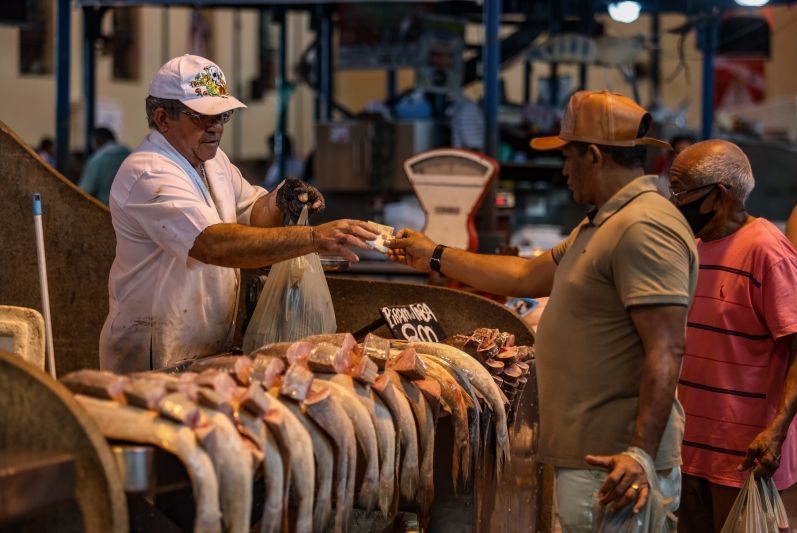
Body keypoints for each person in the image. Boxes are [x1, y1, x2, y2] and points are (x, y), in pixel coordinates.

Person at [388, 90, 698, 530]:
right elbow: (524, 275)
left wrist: (640, 454)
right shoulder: (601, 223)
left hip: (615, 465)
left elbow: (667, 348)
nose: (565, 171)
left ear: (594, 156)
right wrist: (433, 254)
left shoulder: (645, 226)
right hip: (589, 458)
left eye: (568, 157)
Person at [100, 54, 377, 374]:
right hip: (151, 354)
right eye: (202, 117)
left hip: (202, 347)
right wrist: (313, 238)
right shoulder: (149, 172)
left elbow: (251, 214)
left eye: (223, 116)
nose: (216, 127)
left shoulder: (213, 162)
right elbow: (213, 244)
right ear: (163, 118)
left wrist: (281, 198)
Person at [668, 140, 797, 532]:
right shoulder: (693, 247)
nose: (673, 202)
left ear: (719, 195)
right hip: (689, 448)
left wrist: (777, 431)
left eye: (681, 192)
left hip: (744, 456)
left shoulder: (767, 251)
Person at [78, 127, 131, 204]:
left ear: (97, 141)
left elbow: (83, 192)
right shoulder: (131, 154)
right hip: (129, 211)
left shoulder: (97, 160)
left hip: (104, 210)